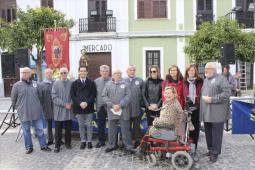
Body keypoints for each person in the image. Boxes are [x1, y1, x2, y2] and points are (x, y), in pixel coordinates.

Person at [11, 67, 51, 154]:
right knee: (26, 131)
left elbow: (40, 97)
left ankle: (43, 145)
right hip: (24, 113)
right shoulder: (16, 85)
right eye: (22, 72)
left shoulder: (36, 84)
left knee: (40, 130)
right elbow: (13, 100)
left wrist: (38, 107)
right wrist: (19, 109)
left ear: (30, 74)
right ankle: (29, 147)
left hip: (36, 112)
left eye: (26, 72)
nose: (24, 74)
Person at [200, 62, 231, 163]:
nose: (205, 70)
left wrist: (213, 99)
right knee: (208, 133)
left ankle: (215, 153)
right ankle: (210, 149)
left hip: (217, 113)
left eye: (207, 69)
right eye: (205, 69)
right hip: (207, 112)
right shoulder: (205, 80)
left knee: (216, 134)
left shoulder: (221, 79)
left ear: (213, 69)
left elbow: (227, 93)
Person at [102, 69, 134, 153]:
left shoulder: (126, 84)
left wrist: (120, 105)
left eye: (119, 73)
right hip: (112, 111)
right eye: (116, 73)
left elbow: (128, 96)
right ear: (113, 75)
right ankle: (111, 145)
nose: (118, 75)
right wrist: (113, 105)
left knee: (125, 130)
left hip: (123, 111)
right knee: (111, 130)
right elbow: (104, 96)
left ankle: (128, 146)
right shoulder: (108, 84)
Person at [70, 66, 96, 150]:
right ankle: (83, 141)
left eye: (84, 71)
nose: (83, 72)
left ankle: (89, 142)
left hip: (89, 107)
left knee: (89, 125)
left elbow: (93, 95)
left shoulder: (91, 83)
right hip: (79, 107)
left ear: (87, 72)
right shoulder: (74, 83)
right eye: (81, 71)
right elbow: (73, 95)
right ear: (79, 72)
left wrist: (87, 102)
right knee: (81, 126)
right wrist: (80, 103)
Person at [52, 67, 73, 153]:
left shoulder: (71, 83)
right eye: (62, 73)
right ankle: (57, 145)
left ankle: (68, 143)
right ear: (59, 74)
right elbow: (54, 97)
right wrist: (64, 104)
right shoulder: (56, 83)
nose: (63, 74)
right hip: (59, 110)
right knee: (58, 130)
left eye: (65, 73)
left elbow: (74, 95)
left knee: (68, 128)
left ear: (67, 73)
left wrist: (71, 103)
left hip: (69, 110)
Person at [183, 64, 203, 151]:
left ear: (195, 71)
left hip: (197, 106)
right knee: (186, 126)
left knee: (196, 126)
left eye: (193, 70)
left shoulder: (200, 81)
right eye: (189, 70)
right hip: (187, 106)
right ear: (187, 72)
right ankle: (186, 144)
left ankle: (194, 144)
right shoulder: (184, 82)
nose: (191, 72)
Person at [124, 65, 144, 148]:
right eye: (130, 70)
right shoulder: (122, 81)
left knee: (137, 127)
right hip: (126, 109)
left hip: (136, 109)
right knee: (127, 128)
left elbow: (143, 94)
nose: (132, 71)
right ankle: (127, 143)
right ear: (127, 71)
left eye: (133, 70)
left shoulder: (140, 80)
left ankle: (137, 142)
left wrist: (142, 105)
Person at [94, 65, 111, 148]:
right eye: (103, 71)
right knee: (101, 125)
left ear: (109, 72)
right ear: (100, 72)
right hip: (100, 107)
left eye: (106, 71)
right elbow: (93, 94)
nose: (104, 72)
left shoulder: (113, 80)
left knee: (112, 125)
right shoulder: (96, 81)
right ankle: (101, 141)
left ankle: (112, 141)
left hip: (110, 107)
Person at [39, 68, 55, 145]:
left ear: (52, 74)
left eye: (50, 73)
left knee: (59, 124)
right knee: (49, 124)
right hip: (47, 107)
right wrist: (42, 106)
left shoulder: (56, 83)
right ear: (45, 74)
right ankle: (50, 139)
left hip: (56, 107)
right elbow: (40, 97)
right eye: (47, 73)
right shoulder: (41, 85)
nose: (49, 74)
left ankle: (59, 139)